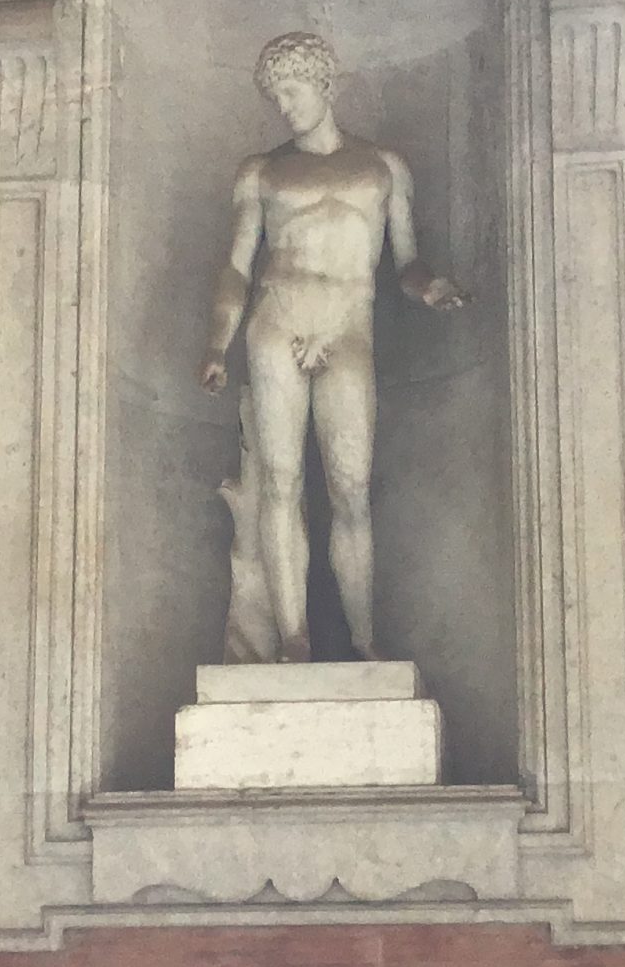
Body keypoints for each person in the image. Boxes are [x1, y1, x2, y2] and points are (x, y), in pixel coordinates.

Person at [198, 32, 468, 663]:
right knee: (280, 481)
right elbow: (236, 267)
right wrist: (217, 344)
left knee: (350, 487)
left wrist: (430, 288)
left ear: (323, 85)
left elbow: (405, 261)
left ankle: (365, 639)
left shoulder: (382, 167)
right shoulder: (261, 171)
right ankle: (293, 636)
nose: (284, 107)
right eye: (275, 97)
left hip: (347, 325)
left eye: (291, 91)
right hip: (277, 320)